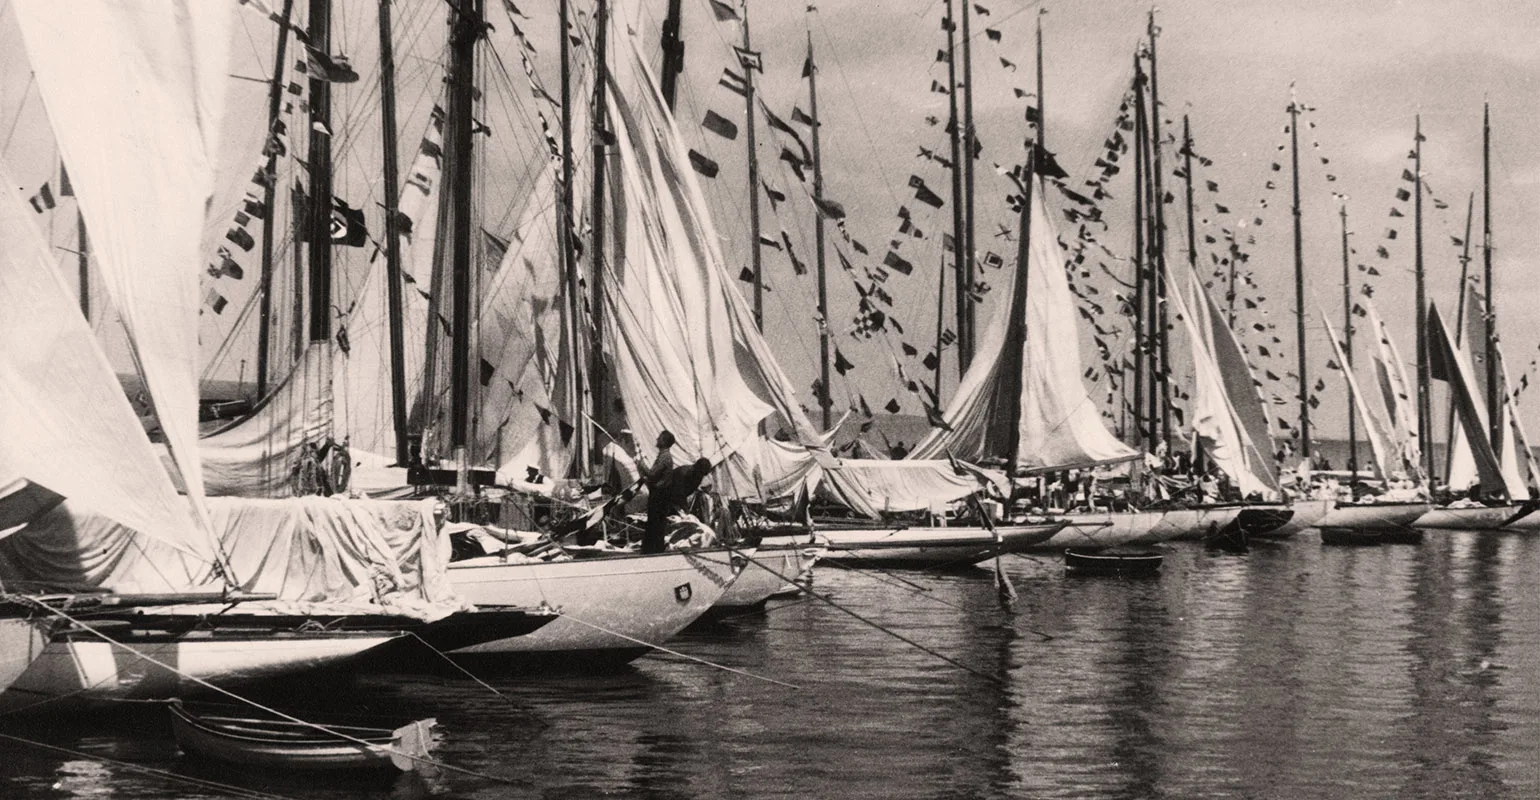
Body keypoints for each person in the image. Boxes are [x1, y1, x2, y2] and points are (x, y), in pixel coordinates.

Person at [643, 457, 712, 553]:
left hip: (673, 499)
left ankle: (662, 544)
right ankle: (654, 549)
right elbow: (679, 494)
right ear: (698, 469)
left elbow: (685, 493)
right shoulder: (683, 473)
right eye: (702, 473)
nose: (702, 476)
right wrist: (686, 511)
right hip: (662, 497)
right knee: (659, 525)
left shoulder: (698, 475)